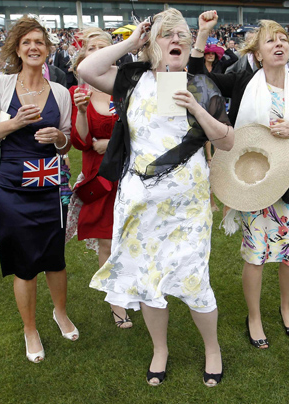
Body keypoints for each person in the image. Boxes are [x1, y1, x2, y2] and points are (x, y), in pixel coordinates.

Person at [79, 9, 233, 387]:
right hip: (140, 203)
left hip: (188, 205)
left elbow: (226, 140)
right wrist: (131, 42)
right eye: (166, 35)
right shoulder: (132, 80)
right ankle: (159, 349)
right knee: (149, 281)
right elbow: (87, 70)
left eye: (181, 34)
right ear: (152, 43)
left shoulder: (200, 84)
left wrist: (196, 108)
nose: (175, 40)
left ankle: (212, 348)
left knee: (195, 280)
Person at [189, 11, 289, 350]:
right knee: (256, 253)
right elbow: (198, 78)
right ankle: (254, 316)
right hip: (249, 181)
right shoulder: (243, 82)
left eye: (284, 40)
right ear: (257, 53)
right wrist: (202, 35)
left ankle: (286, 309)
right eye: (271, 40)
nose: (280, 45)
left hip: (287, 183)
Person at [0, 15, 76, 364]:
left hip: (50, 187)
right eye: (27, 42)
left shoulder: (59, 91)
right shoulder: (2, 85)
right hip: (13, 188)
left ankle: (60, 312)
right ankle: (29, 328)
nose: (34, 47)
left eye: (40, 42)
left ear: (47, 50)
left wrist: (59, 137)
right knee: (24, 262)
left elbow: (67, 144)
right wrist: (14, 123)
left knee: (55, 257)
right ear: (18, 49)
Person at [68, 27, 131, 329]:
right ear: (82, 56)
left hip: (130, 175)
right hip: (100, 178)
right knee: (106, 240)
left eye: (103, 47)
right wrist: (81, 113)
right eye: (90, 48)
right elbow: (80, 142)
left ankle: (133, 288)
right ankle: (115, 301)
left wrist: (112, 143)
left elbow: (144, 131)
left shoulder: (127, 87)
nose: (96, 53)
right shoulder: (77, 93)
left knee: (131, 238)